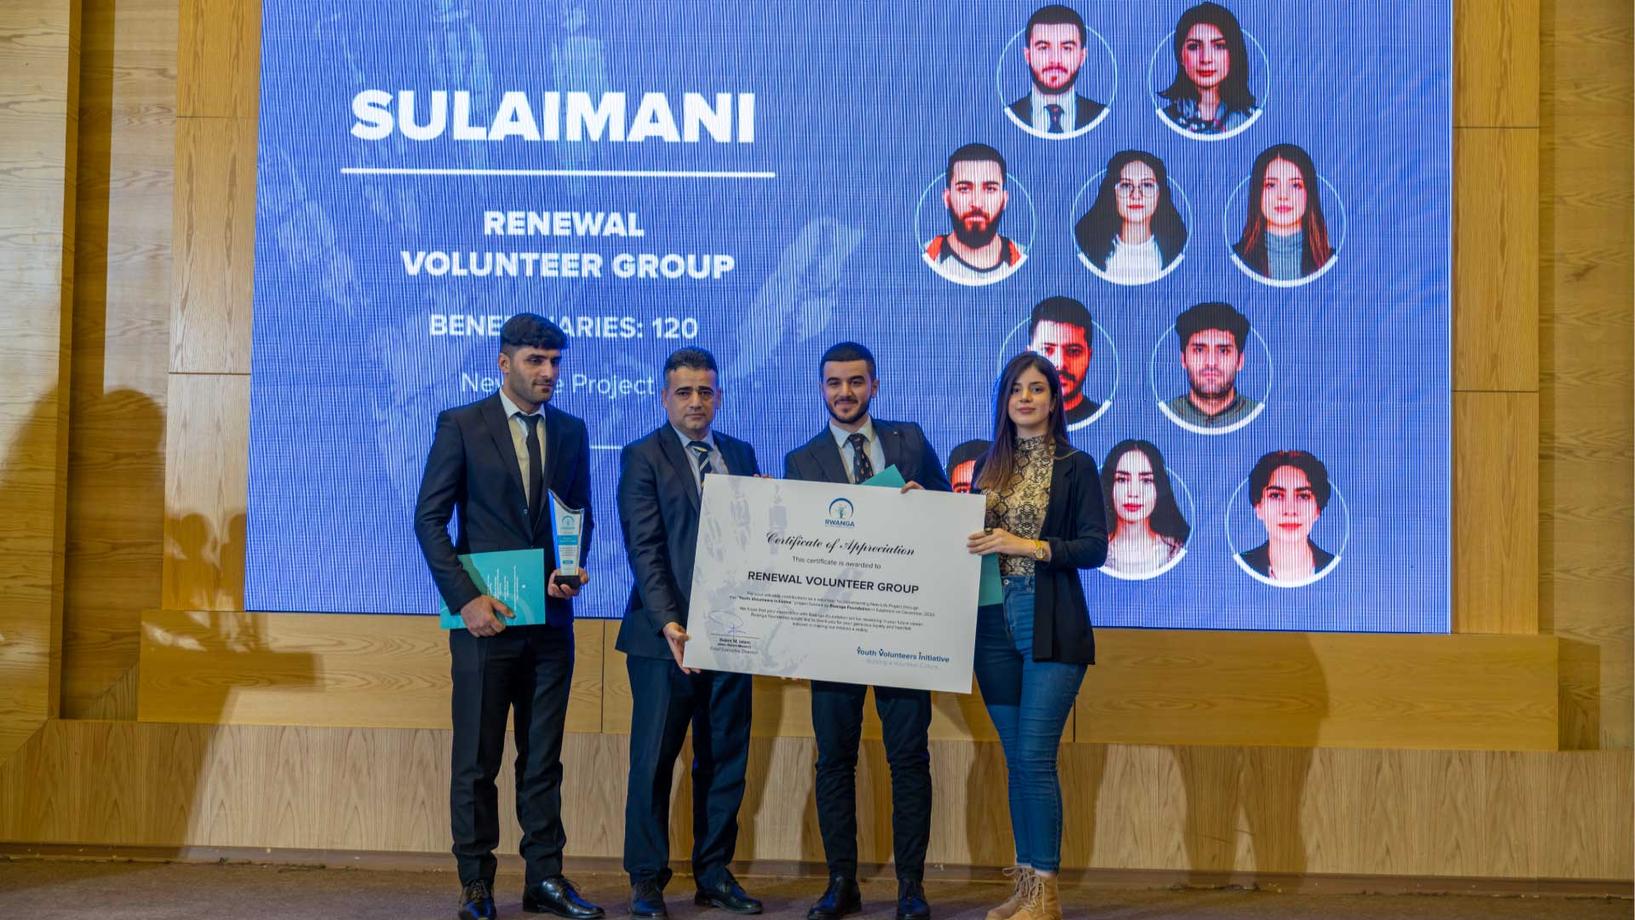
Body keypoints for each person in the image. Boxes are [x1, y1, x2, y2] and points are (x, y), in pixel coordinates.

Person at [413, 313, 603, 920]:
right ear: (504, 363)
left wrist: (568, 569)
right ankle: (476, 884)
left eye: (555, 362)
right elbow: (428, 519)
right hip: (483, 624)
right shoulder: (462, 424)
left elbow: (578, 514)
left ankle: (545, 879)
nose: (548, 372)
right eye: (535, 361)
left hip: (550, 624)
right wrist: (464, 598)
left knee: (542, 760)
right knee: (477, 761)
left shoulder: (571, 430)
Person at [783, 341, 951, 920]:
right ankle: (841, 884)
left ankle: (911, 888)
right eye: (834, 383)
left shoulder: (911, 441)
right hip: (831, 634)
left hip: (903, 627)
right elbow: (791, 553)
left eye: (856, 382)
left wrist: (929, 502)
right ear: (821, 388)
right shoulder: (801, 461)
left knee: (909, 759)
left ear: (874, 385)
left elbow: (948, 515)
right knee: (835, 760)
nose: (845, 393)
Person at [616, 347, 763, 919]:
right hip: (663, 639)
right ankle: (646, 879)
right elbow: (644, 548)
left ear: (719, 397)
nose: (695, 401)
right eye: (684, 392)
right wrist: (669, 622)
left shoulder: (741, 454)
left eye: (705, 391)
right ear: (664, 398)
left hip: (732, 632)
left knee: (724, 758)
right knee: (653, 761)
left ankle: (714, 873)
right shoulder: (642, 456)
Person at [965, 353, 1108, 920]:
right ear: (1004, 400)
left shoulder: (1076, 465)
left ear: (1054, 400)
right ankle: (1025, 888)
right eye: (1016, 389)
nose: (1025, 398)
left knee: (1034, 757)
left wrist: (1024, 545)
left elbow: (1094, 548)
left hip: (1047, 618)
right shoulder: (986, 466)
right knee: (1016, 762)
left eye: (1037, 389)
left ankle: (1046, 893)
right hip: (989, 621)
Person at [1073, 150, 1187, 284]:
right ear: (1113, 193)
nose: (1136, 195)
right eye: (1126, 185)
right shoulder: (1087, 250)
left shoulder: (1177, 251)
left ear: (1159, 194)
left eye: (1147, 185)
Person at [924, 143, 1026, 285]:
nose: (977, 203)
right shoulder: (921, 257)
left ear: (1004, 200)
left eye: (990, 189)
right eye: (964, 189)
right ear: (947, 198)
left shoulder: (1027, 258)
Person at [1232, 144, 1334, 282]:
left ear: (1309, 194)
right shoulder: (1235, 258)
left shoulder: (1332, 261)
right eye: (1271, 185)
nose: (1283, 196)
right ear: (1257, 193)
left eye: (1295, 185)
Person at [1157, 2, 1260, 135]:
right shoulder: (1164, 119)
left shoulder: (1252, 119)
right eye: (1194, 47)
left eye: (1219, 46)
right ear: (1180, 56)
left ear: (1233, 54)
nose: (1206, 59)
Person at [1238, 449, 1337, 585]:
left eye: (1303, 496)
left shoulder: (1337, 567)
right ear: (1258, 506)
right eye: (1276, 495)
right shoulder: (1239, 565)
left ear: (1317, 510)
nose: (1290, 510)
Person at [1007, 5, 1106, 137]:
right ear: (1027, 56)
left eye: (1067, 48)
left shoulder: (1101, 115)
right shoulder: (1008, 115)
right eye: (1043, 48)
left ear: (1082, 56)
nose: (1055, 59)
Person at [1163, 302, 1261, 430]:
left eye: (1223, 351)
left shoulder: (1259, 415)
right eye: (1199, 350)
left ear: (1240, 361)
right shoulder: (1165, 414)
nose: (1211, 362)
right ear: (1183, 359)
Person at [1100, 440, 1190, 576]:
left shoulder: (1176, 551)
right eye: (1122, 480)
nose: (1133, 492)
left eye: (1146, 480)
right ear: (1109, 486)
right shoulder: (1094, 549)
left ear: (1159, 487)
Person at [1026, 296, 1101, 427]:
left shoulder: (1104, 419)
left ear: (1089, 356)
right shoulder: (1009, 420)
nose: (1060, 363)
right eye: (1047, 350)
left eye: (1073, 351)